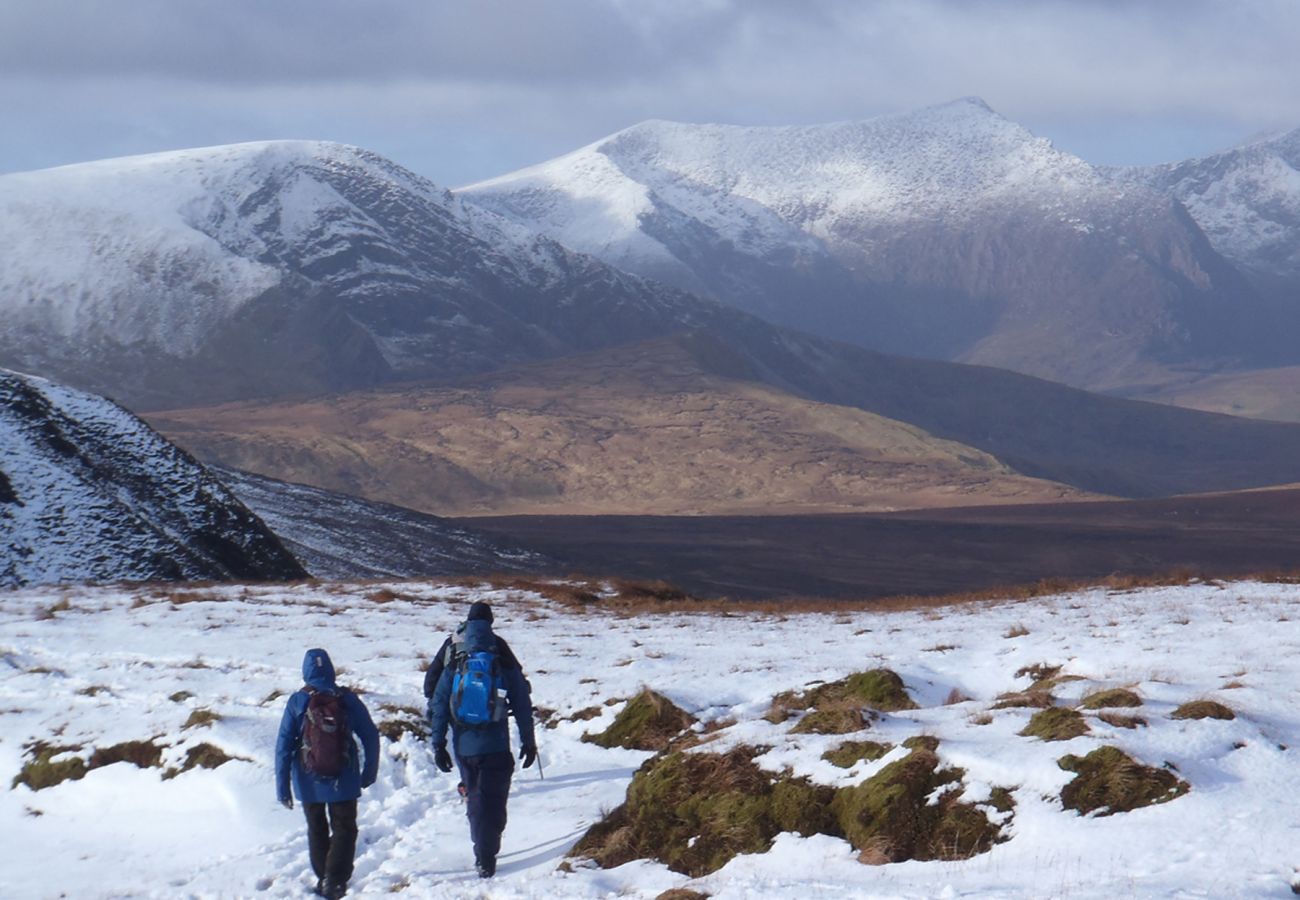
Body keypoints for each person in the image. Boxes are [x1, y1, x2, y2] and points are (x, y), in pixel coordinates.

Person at [428, 601, 537, 878]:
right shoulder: (498, 649)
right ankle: (487, 853)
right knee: (494, 799)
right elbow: (522, 699)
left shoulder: (454, 650)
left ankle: (482, 847)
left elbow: (436, 695)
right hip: (497, 742)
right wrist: (528, 740)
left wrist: (438, 743)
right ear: (490, 623)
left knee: (476, 795)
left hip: (464, 741)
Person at [276, 648, 380, 899]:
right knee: (344, 828)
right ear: (331, 669)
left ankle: (324, 877)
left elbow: (283, 745)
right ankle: (335, 881)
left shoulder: (298, 701)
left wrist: (283, 786)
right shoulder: (347, 699)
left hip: (307, 778)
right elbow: (370, 736)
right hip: (343, 777)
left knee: (316, 827)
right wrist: (369, 772)